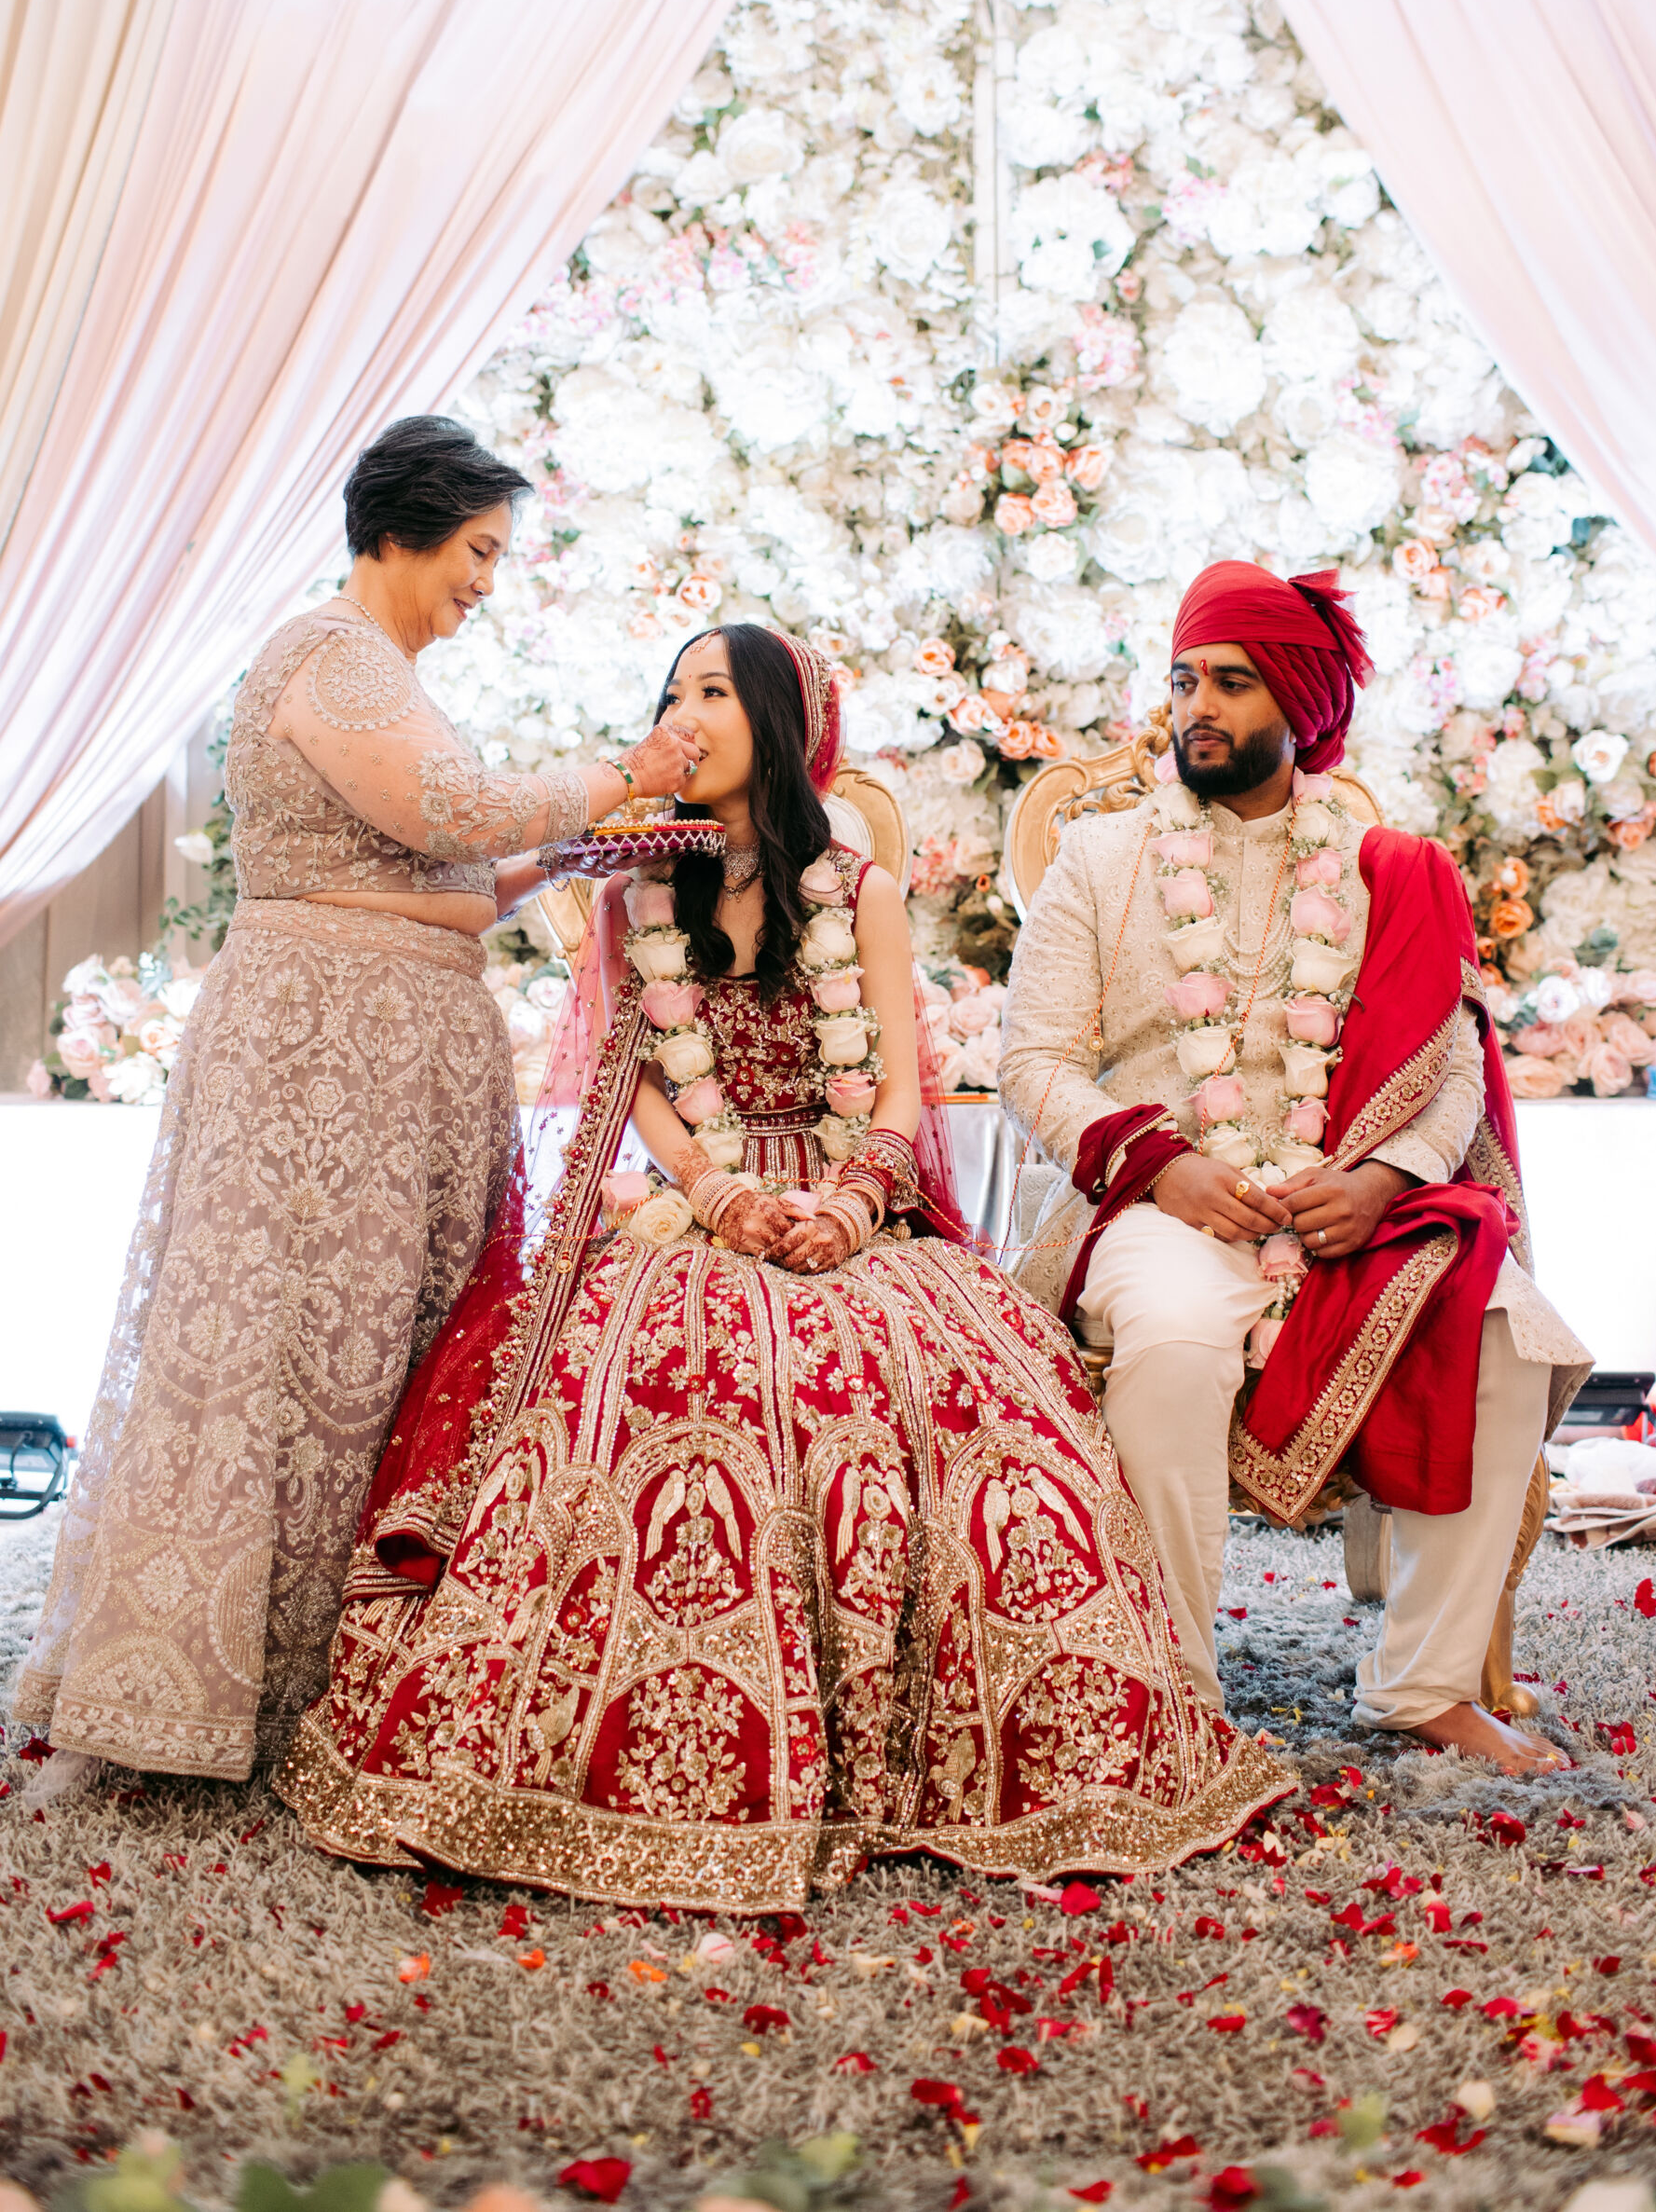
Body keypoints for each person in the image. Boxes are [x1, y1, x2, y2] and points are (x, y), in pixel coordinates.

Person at [274, 623, 1292, 1906]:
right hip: (696, 1207)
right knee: (664, 1389)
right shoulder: (635, 891)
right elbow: (639, 1082)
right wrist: (715, 1192)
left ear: (776, 721)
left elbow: (902, 1090)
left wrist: (856, 1207)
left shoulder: (860, 891)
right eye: (670, 694)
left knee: (956, 1410)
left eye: (712, 692)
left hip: (851, 1203)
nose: (682, 717)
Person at [16, 416, 698, 1795]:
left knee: (387, 1358)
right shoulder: (327, 653)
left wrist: (569, 854)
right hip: (317, 1052)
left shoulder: (389, 677)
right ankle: (159, 1693)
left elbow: (446, 874)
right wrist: (626, 773)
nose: (487, 581)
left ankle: (327, 1684)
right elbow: (449, 809)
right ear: (405, 526)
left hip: (402, 1053)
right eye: (478, 550)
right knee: (262, 1346)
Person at [1000, 559, 1591, 1778]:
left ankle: (1424, 1685)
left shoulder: (1387, 870)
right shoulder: (1102, 861)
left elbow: (1452, 1069)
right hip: (1162, 1200)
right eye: (1184, 682)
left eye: (1231, 682)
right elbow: (1035, 1061)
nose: (1197, 708)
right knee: (1173, 1340)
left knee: (1509, 1332)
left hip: (1347, 1200)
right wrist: (1159, 1164)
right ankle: (1175, 1687)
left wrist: (1383, 1181)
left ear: (1300, 704)